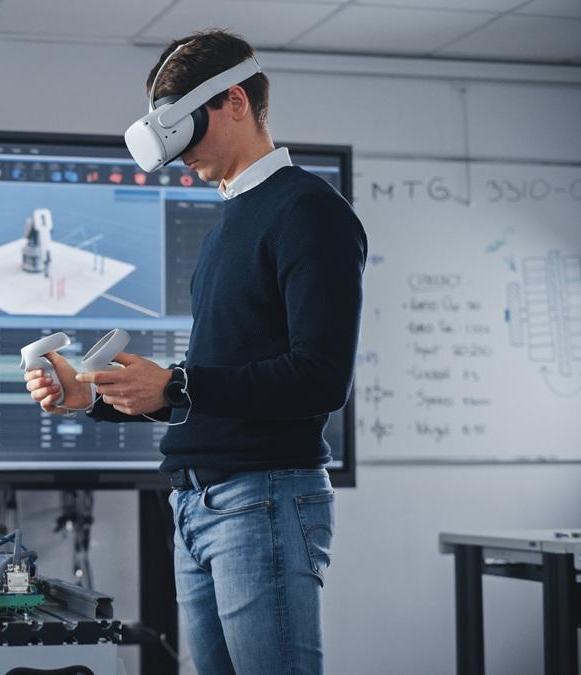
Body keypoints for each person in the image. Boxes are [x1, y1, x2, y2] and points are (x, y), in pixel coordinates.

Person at [24, 30, 366, 675]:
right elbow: (217, 393)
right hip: (196, 504)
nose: (177, 156)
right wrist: (92, 397)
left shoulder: (309, 212)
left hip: (260, 503)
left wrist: (178, 383)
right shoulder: (229, 224)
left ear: (235, 100)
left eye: (184, 130)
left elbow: (320, 380)